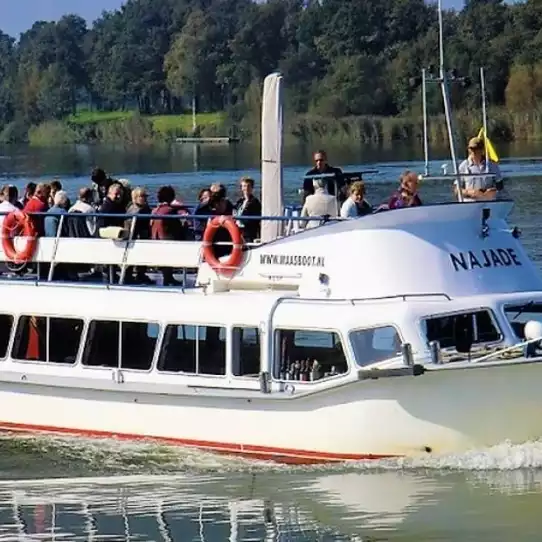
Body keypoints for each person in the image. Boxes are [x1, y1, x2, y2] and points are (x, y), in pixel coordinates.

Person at [457, 136, 503, 202]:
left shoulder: (492, 165)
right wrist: (469, 192)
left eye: (476, 149)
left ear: (482, 150)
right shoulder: (463, 166)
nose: (473, 151)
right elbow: (457, 190)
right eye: (471, 149)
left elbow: (500, 185)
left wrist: (493, 191)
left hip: (489, 203)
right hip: (469, 204)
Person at [234, 177, 261, 242]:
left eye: (248, 186)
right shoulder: (240, 201)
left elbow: (254, 219)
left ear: (252, 188)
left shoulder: (254, 202)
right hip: (237, 230)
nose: (246, 188)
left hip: (248, 232)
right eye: (244, 186)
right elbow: (235, 211)